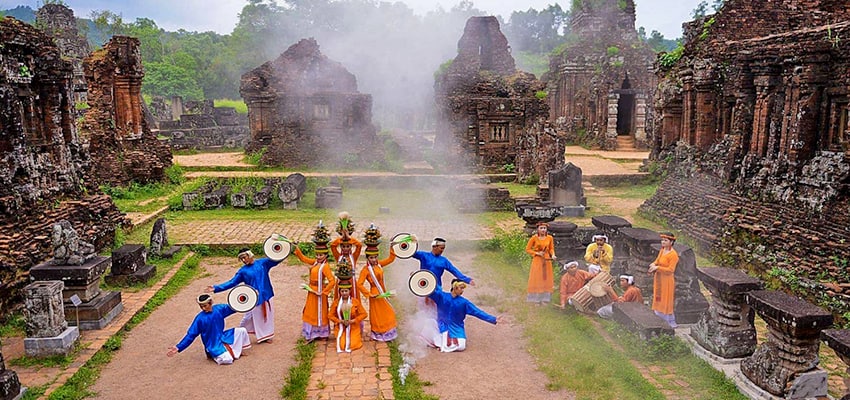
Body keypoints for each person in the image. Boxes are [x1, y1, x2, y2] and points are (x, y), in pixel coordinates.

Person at [206, 247, 282, 343]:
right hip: (253, 298)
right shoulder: (243, 271)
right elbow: (232, 282)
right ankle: (240, 333)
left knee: (267, 316)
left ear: (249, 255)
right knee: (248, 317)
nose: (243, 260)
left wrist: (283, 250)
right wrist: (216, 288)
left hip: (266, 294)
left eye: (244, 257)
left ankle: (266, 335)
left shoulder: (263, 263)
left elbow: (276, 259)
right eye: (241, 258)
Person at [166, 294, 251, 365]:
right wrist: (179, 347)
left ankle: (237, 351)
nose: (203, 308)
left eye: (205, 306)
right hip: (212, 344)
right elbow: (190, 335)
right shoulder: (199, 319)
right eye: (201, 306)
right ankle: (211, 354)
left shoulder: (219, 309)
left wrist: (248, 298)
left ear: (210, 303)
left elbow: (234, 307)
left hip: (223, 336)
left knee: (242, 331)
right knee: (228, 360)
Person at [425, 279, 502, 352]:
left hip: (456, 328)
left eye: (463, 288)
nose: (462, 290)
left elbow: (477, 312)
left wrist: (493, 319)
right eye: (461, 288)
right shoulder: (441, 296)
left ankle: (441, 344)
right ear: (455, 287)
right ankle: (441, 342)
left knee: (461, 346)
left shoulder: (464, 302)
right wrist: (417, 279)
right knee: (428, 323)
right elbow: (428, 290)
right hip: (441, 326)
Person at [293, 221, 337, 342]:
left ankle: (322, 333)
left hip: (320, 292)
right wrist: (296, 248)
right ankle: (311, 333)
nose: (318, 256)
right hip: (311, 291)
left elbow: (332, 281)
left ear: (326, 255)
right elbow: (303, 258)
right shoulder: (315, 263)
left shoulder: (325, 267)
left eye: (321, 254)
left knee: (321, 311)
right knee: (310, 311)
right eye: (317, 254)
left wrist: (324, 291)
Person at [356, 224, 398, 341]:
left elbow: (391, 259)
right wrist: (368, 294)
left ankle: (389, 332)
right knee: (378, 315)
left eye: (375, 257)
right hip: (375, 294)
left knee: (388, 312)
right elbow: (359, 284)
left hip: (382, 291)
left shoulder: (379, 264)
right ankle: (378, 333)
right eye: (371, 258)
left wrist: (392, 247)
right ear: (367, 258)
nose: (374, 260)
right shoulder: (365, 270)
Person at [328, 259, 367, 352]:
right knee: (342, 345)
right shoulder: (336, 303)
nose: (344, 293)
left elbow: (364, 314)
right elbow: (330, 315)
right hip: (341, 326)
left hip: (353, 326)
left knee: (353, 344)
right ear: (340, 292)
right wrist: (339, 321)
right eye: (342, 291)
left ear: (350, 291)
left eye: (346, 291)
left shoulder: (355, 302)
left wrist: (353, 321)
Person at [649, 232, 679, 328]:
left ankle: (667, 321)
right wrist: (653, 264)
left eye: (666, 240)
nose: (663, 242)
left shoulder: (673, 255)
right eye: (662, 240)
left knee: (665, 299)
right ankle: (657, 316)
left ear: (671, 242)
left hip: (667, 280)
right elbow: (657, 261)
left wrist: (657, 268)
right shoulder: (662, 250)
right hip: (659, 278)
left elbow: (671, 270)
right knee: (658, 296)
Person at [526, 222, 556, 305]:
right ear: (538, 229)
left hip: (546, 260)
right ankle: (535, 299)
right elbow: (528, 249)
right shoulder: (534, 238)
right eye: (541, 228)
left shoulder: (550, 238)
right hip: (538, 260)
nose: (543, 230)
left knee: (546, 278)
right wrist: (537, 253)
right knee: (537, 278)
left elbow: (551, 249)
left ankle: (544, 299)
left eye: (544, 228)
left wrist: (553, 255)